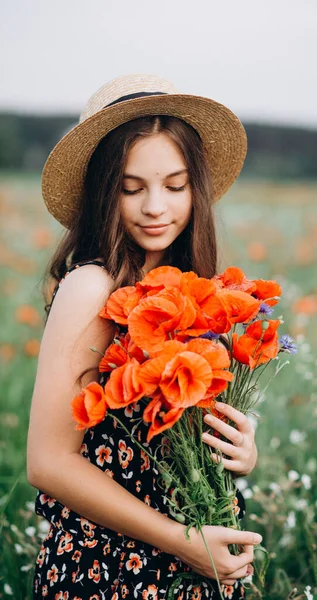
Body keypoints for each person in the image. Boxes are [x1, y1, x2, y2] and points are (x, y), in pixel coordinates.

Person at [27, 73, 261, 599]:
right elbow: (48, 461)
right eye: (132, 188)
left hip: (194, 564)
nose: (156, 206)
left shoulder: (196, 287)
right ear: (105, 192)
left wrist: (241, 451)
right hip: (112, 570)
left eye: (175, 186)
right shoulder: (92, 286)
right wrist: (183, 541)